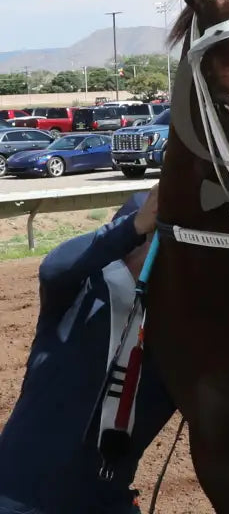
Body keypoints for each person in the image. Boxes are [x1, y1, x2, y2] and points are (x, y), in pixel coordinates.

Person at [0, 188, 176, 514]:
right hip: (20, 495)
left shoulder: (175, 330)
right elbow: (54, 267)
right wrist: (135, 227)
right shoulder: (80, 290)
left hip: (107, 501)